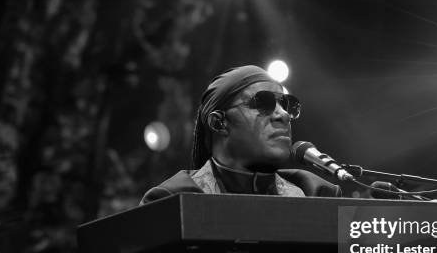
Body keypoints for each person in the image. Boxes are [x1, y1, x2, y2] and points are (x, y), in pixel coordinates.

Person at [140, 65, 341, 204]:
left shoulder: (315, 192)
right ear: (219, 122)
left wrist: (371, 225)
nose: (284, 114)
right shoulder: (173, 198)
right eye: (263, 103)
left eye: (286, 104)